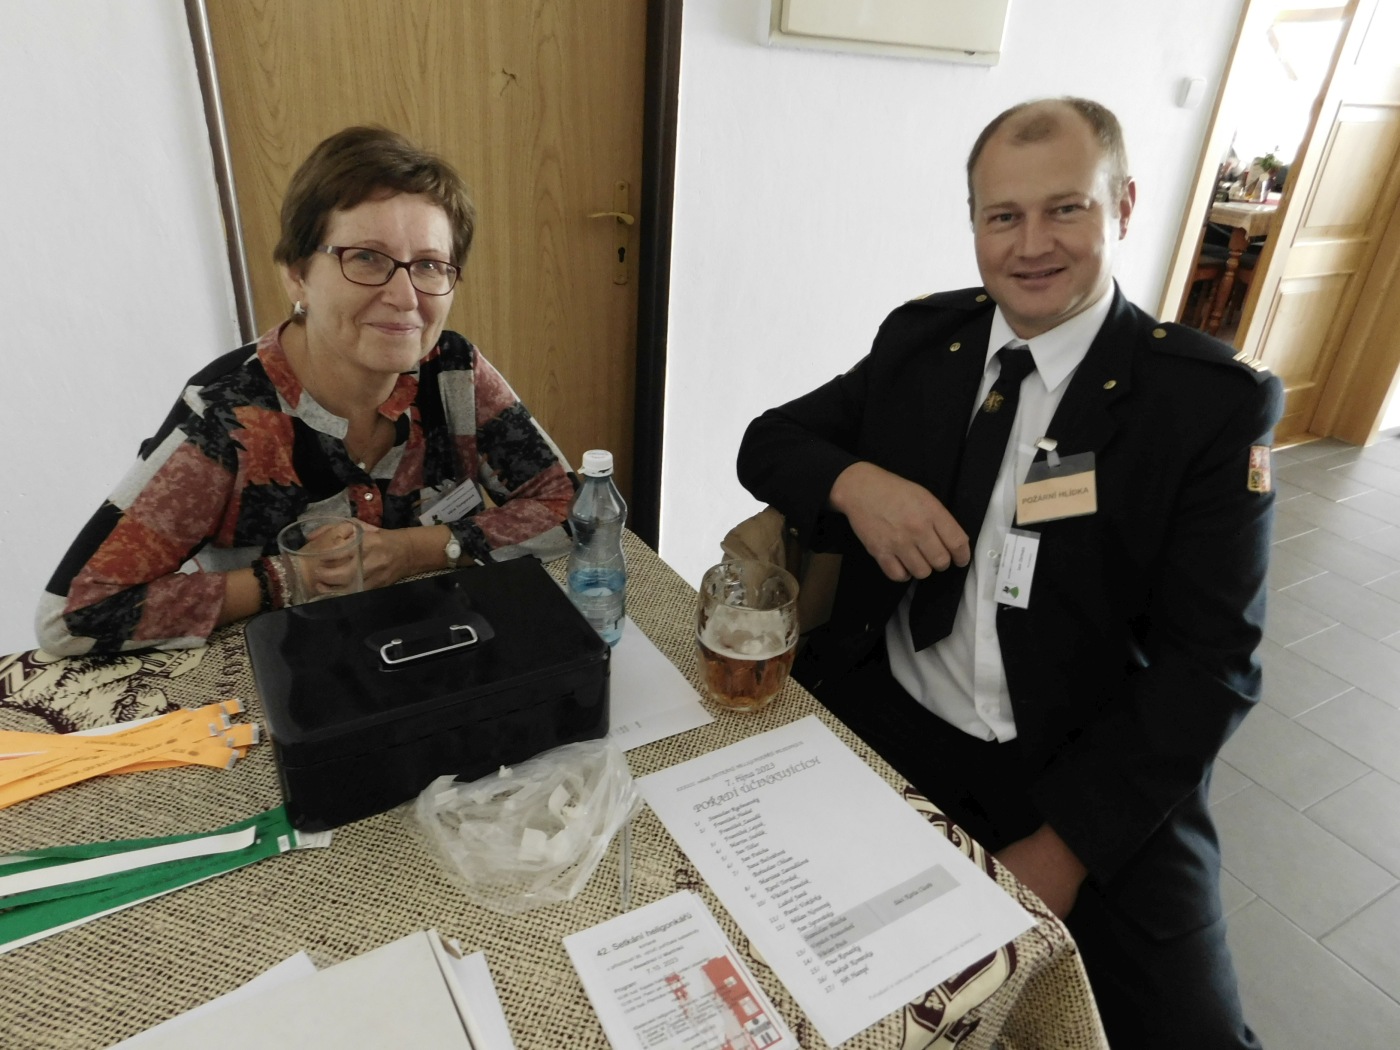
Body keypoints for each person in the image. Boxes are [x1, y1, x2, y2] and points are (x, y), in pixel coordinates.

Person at [738, 98, 1281, 1049]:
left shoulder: (1204, 407)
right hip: (893, 720)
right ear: (974, 222)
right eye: (1003, 216)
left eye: (1065, 209)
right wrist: (859, 485)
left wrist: (1063, 853)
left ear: (1123, 206)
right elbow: (769, 442)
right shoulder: (924, 344)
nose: (1031, 246)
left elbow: (1214, 666)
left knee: (1191, 1033)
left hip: (1085, 760)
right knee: (782, 964)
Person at [38, 126, 575, 655]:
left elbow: (576, 509)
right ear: (297, 276)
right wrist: (292, 578)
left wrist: (412, 550)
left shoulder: (453, 370)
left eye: (430, 265)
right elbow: (75, 614)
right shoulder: (228, 414)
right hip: (289, 667)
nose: (405, 296)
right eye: (366, 257)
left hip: (435, 646)